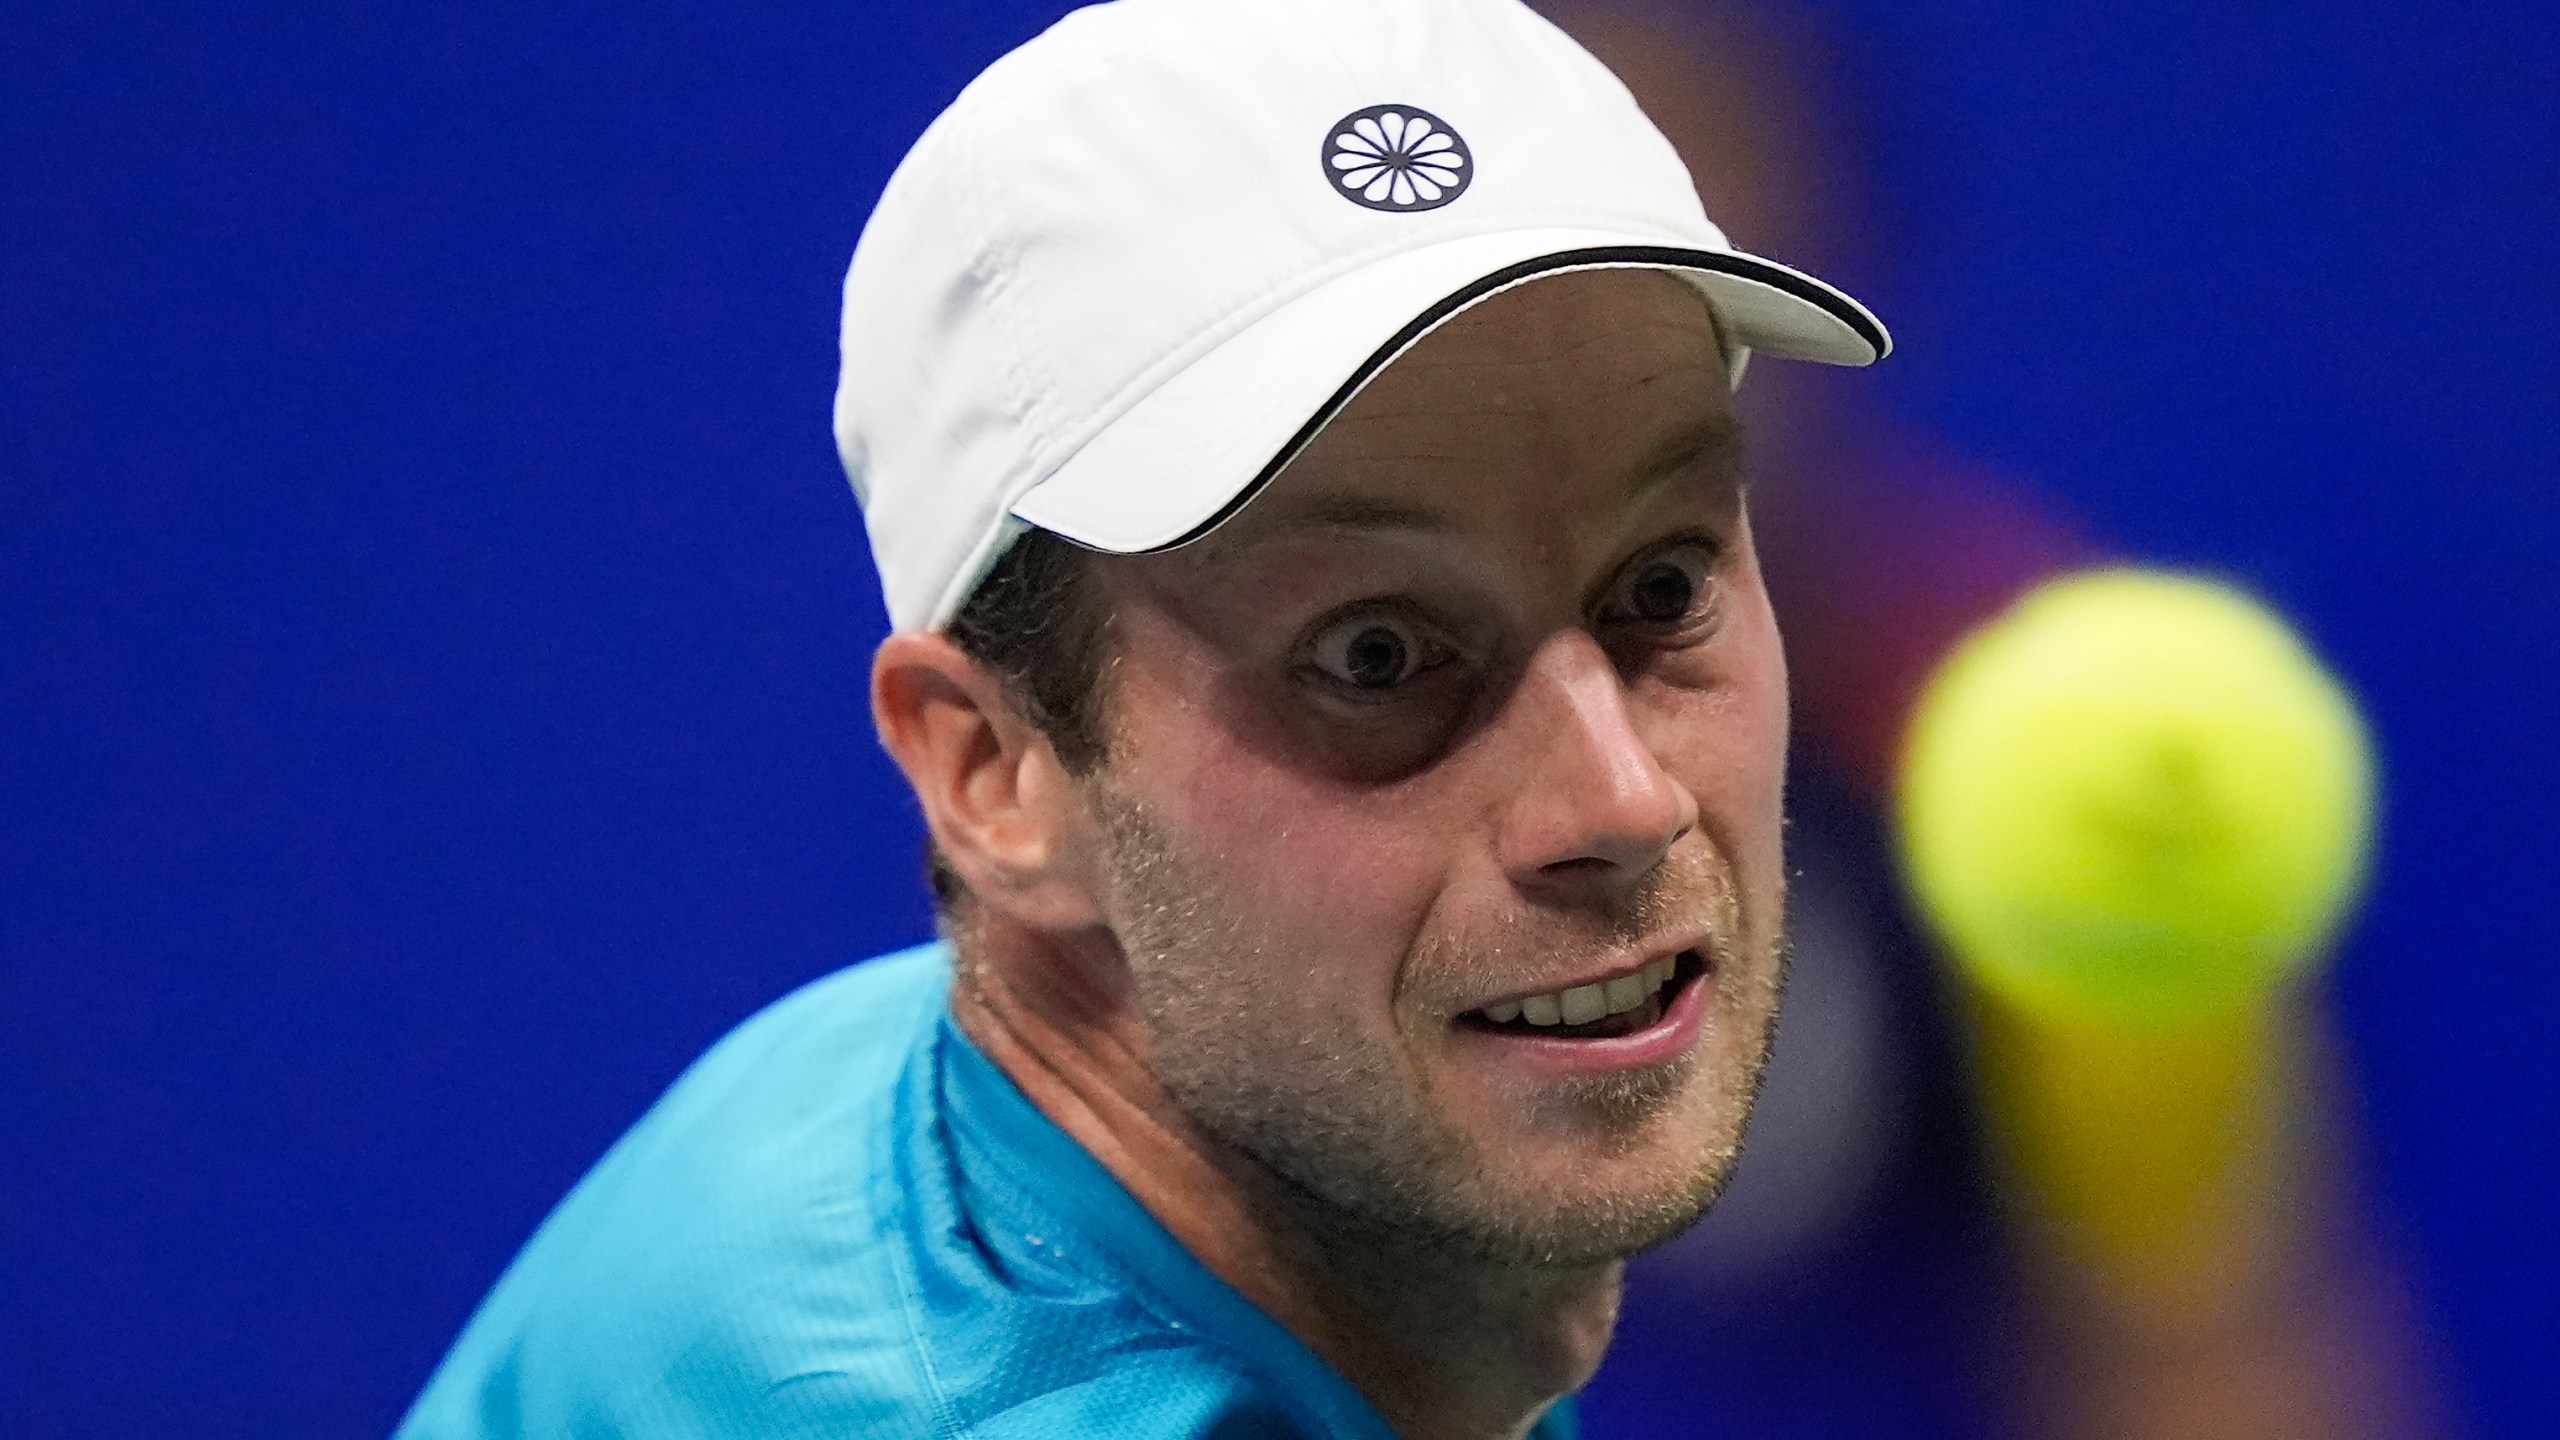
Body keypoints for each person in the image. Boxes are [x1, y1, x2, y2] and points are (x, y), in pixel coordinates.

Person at [394, 0, 1887, 1435]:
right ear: (991, 771)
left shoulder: (934, 1117)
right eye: (1374, 655)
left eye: (1664, 580)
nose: (1622, 800)